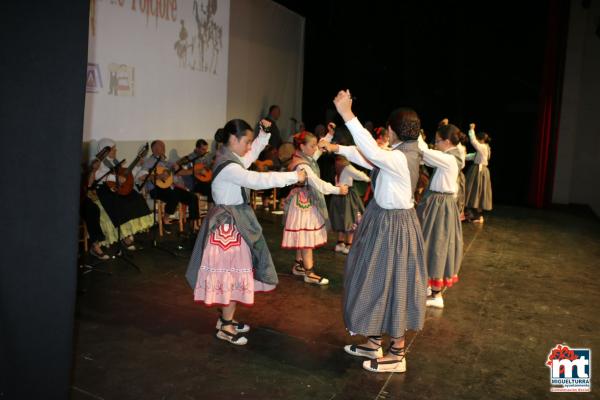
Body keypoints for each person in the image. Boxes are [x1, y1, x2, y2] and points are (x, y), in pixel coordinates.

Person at [321, 90, 427, 373]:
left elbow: (371, 151)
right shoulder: (400, 153)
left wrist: (347, 114)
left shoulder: (401, 158)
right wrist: (338, 149)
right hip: (384, 222)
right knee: (373, 280)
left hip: (393, 227)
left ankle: (397, 354)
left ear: (391, 130)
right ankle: (373, 341)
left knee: (391, 283)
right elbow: (369, 154)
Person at [185, 119, 306, 345]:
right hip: (227, 229)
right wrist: (293, 177)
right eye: (247, 141)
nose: (250, 146)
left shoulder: (229, 158)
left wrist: (264, 135)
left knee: (232, 273)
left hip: (231, 224)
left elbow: (250, 158)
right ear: (234, 139)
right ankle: (226, 326)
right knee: (230, 275)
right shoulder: (229, 166)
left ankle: (225, 320)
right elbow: (257, 179)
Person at [282, 130, 347, 286]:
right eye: (311, 145)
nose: (315, 148)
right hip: (302, 204)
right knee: (306, 238)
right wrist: (338, 189)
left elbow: (318, 152)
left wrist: (329, 136)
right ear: (302, 146)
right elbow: (318, 183)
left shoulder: (304, 157)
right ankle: (309, 273)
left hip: (303, 202)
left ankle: (299, 265)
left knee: (303, 236)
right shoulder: (302, 165)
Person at [416, 124, 464, 309]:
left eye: (437, 141)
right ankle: (429, 287)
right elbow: (426, 157)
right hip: (438, 203)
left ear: (446, 141)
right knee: (431, 242)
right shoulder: (449, 157)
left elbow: (424, 152)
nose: (435, 144)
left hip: (440, 205)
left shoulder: (449, 158)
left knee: (437, 243)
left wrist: (417, 136)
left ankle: (436, 294)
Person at [93, 139, 153, 250]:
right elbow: (97, 175)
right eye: (113, 149)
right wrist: (114, 178)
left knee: (136, 197)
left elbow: (127, 177)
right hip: (106, 191)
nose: (116, 150)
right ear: (105, 150)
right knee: (120, 204)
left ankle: (130, 232)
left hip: (120, 189)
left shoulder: (116, 162)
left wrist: (137, 166)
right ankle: (125, 236)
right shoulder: (98, 163)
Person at [138, 140, 200, 227]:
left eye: (164, 146)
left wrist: (188, 170)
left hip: (170, 187)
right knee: (174, 196)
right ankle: (165, 218)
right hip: (156, 189)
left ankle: (193, 223)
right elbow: (141, 177)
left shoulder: (167, 163)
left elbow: (180, 172)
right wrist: (159, 176)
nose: (164, 148)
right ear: (154, 149)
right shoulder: (149, 162)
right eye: (161, 146)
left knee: (193, 197)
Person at [329, 155, 370, 254]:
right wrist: (369, 179)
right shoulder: (346, 166)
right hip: (347, 196)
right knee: (351, 218)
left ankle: (340, 243)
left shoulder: (336, 165)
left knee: (341, 218)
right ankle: (348, 245)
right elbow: (359, 175)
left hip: (337, 195)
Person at [464, 123, 492, 222]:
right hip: (479, 170)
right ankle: (473, 214)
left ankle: (477, 215)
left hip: (479, 172)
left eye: (477, 138)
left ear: (481, 139)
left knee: (476, 191)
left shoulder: (484, 147)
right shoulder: (485, 148)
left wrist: (471, 129)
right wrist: (462, 155)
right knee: (474, 192)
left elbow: (473, 142)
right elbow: (474, 156)